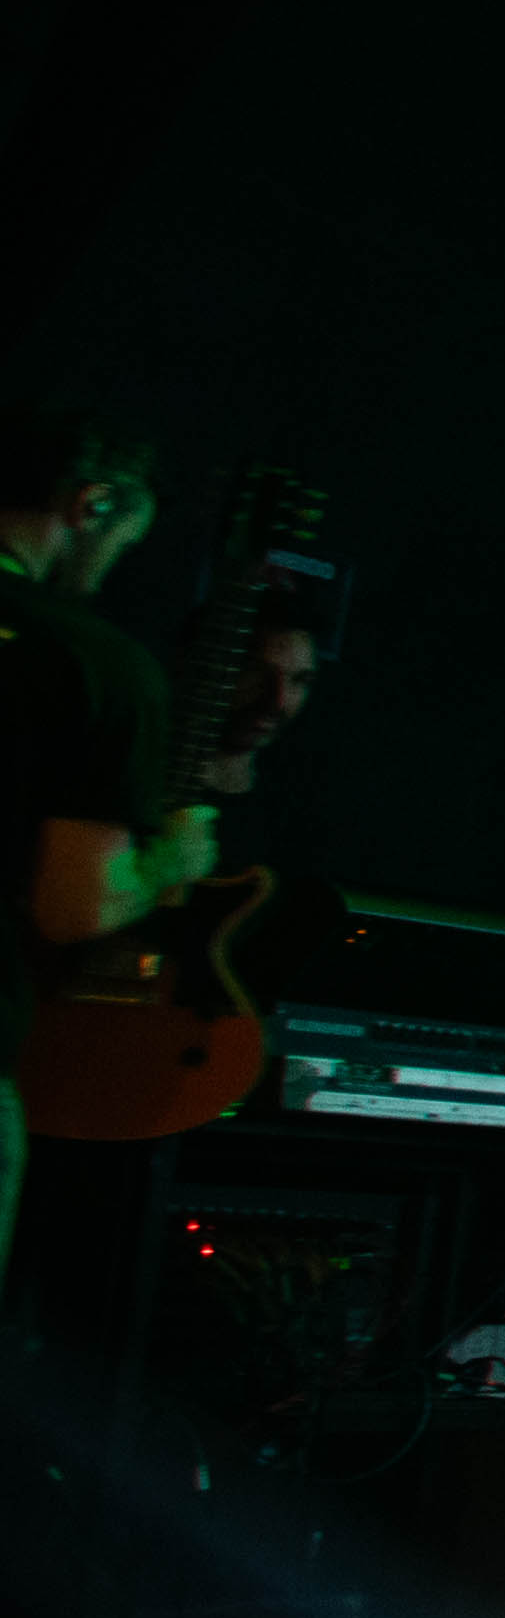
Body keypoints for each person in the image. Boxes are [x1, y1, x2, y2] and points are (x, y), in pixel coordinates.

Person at [2, 414, 207, 1279]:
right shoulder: (91, 663)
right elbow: (74, 903)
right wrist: (173, 862)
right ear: (91, 503)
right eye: (125, 538)